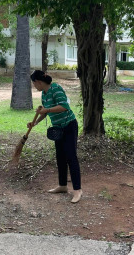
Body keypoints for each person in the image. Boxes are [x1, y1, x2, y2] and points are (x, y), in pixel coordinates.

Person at [28, 70, 82, 203]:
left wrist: (47, 110)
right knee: (60, 157)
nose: (34, 86)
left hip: (69, 126)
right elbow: (44, 112)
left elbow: (64, 106)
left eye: (34, 84)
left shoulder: (56, 88)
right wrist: (35, 122)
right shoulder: (44, 94)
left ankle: (77, 190)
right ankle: (62, 185)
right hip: (58, 128)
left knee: (71, 157)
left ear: (39, 82)